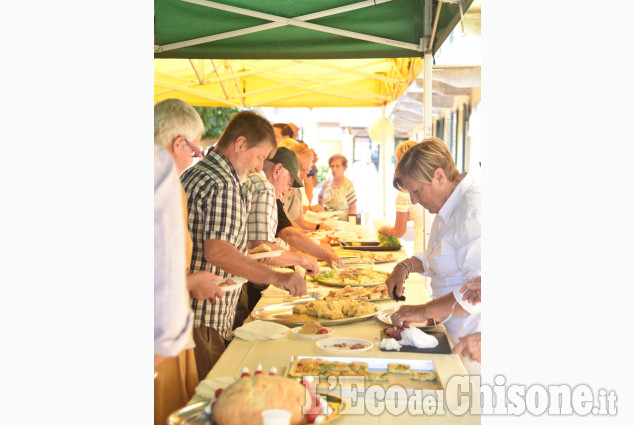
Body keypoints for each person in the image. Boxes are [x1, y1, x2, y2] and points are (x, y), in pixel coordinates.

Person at [181, 110, 307, 380]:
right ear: (240, 144)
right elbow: (219, 251)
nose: (260, 166)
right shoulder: (224, 182)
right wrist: (277, 276)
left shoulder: (196, 173)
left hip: (186, 309)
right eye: (260, 155)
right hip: (206, 317)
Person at [154, 99, 226, 425]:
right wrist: (190, 282)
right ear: (178, 143)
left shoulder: (169, 183)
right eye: (195, 150)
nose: (195, 158)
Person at [384, 137, 481, 374]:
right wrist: (405, 266)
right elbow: (438, 256)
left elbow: (479, 291)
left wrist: (423, 311)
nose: (415, 201)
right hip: (451, 335)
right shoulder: (448, 203)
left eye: (416, 191)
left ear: (439, 176)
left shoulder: (472, 210)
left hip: (471, 346)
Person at [379, 141, 425, 254]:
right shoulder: (426, 183)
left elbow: (399, 231)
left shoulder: (404, 192)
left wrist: (384, 230)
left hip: (422, 244)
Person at [318, 153, 357, 220]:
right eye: (332, 166)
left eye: (337, 166)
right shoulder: (326, 183)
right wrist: (322, 211)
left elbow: (353, 207)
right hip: (328, 222)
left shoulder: (348, 184)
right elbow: (320, 197)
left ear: (344, 168)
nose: (334, 169)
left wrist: (349, 224)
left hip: (343, 223)